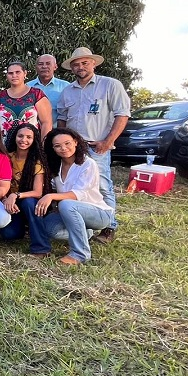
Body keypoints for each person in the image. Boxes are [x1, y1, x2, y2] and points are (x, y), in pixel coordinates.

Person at [56, 47, 130, 243]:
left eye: (84, 63)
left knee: (103, 185)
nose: (80, 67)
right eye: (76, 64)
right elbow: (62, 119)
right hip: (72, 148)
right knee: (72, 184)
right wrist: (61, 142)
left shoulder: (110, 85)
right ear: (71, 68)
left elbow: (122, 114)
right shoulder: (67, 91)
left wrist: (108, 142)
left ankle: (109, 227)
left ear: (93, 63)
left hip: (96, 146)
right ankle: (81, 221)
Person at [29, 128, 114, 264]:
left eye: (67, 143)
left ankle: (80, 253)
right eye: (57, 146)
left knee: (66, 204)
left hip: (98, 213)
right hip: (71, 212)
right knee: (48, 227)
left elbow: (77, 194)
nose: (63, 148)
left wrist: (51, 197)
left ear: (75, 142)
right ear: (52, 148)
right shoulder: (56, 165)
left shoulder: (88, 163)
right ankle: (85, 233)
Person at [0, 123, 46, 246]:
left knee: (29, 202)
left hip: (28, 202)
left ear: (34, 140)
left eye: (29, 137)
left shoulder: (36, 161)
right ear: (15, 137)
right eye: (20, 136)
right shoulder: (6, 157)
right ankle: (23, 226)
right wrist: (5, 199)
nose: (23, 140)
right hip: (9, 202)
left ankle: (41, 246)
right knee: (9, 234)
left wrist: (15, 195)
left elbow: (37, 192)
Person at [0, 61, 52, 139]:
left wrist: (44, 143)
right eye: (10, 73)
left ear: (25, 73)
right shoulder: (0, 96)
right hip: (3, 143)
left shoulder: (36, 94)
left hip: (29, 142)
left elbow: (46, 123)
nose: (14, 75)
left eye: (17, 72)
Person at [27, 54, 70, 125]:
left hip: (58, 130)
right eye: (40, 64)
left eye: (48, 63)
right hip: (32, 130)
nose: (44, 66)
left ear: (55, 67)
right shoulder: (27, 87)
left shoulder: (66, 86)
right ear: (36, 67)